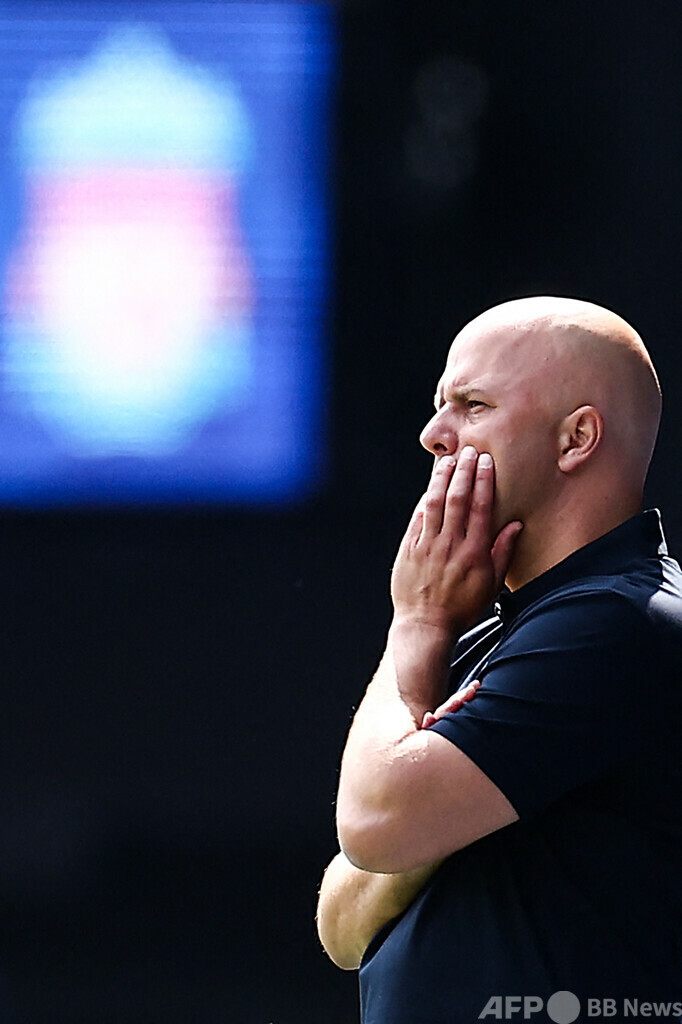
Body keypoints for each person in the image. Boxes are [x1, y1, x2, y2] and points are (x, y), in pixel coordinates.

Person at [316, 297, 682, 1023]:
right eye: (439, 407)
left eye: (472, 405)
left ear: (576, 438)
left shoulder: (620, 621)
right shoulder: (500, 629)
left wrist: (416, 624)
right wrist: (423, 820)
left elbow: (372, 824)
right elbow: (342, 926)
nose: (432, 435)